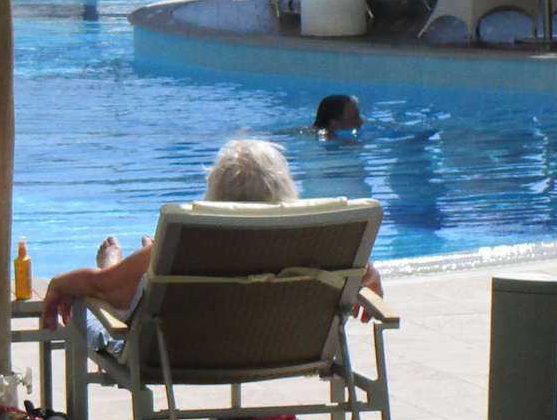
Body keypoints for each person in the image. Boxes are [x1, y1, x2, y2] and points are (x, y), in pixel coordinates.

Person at [40, 138, 385, 333]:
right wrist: (371, 277)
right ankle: (140, 265)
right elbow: (364, 271)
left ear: (214, 188)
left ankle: (123, 261)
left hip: (177, 352)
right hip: (278, 347)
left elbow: (101, 287)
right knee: (152, 269)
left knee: (101, 299)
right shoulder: (317, 241)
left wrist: (58, 284)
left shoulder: (189, 238)